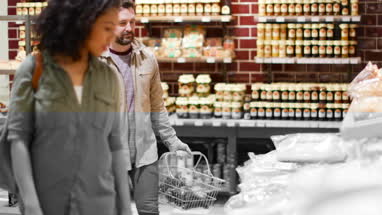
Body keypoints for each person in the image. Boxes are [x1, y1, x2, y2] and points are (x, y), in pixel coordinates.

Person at [7, 0, 132, 214]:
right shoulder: (33, 70)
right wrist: (30, 202)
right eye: (107, 28)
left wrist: (125, 207)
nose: (112, 36)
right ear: (82, 22)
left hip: (100, 204)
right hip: (47, 204)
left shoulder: (109, 77)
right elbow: (18, 139)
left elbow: (116, 145)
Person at [100, 1, 192, 215]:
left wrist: (172, 141)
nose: (129, 28)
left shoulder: (148, 59)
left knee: (149, 210)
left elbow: (157, 106)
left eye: (132, 22)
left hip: (145, 153)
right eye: (122, 23)